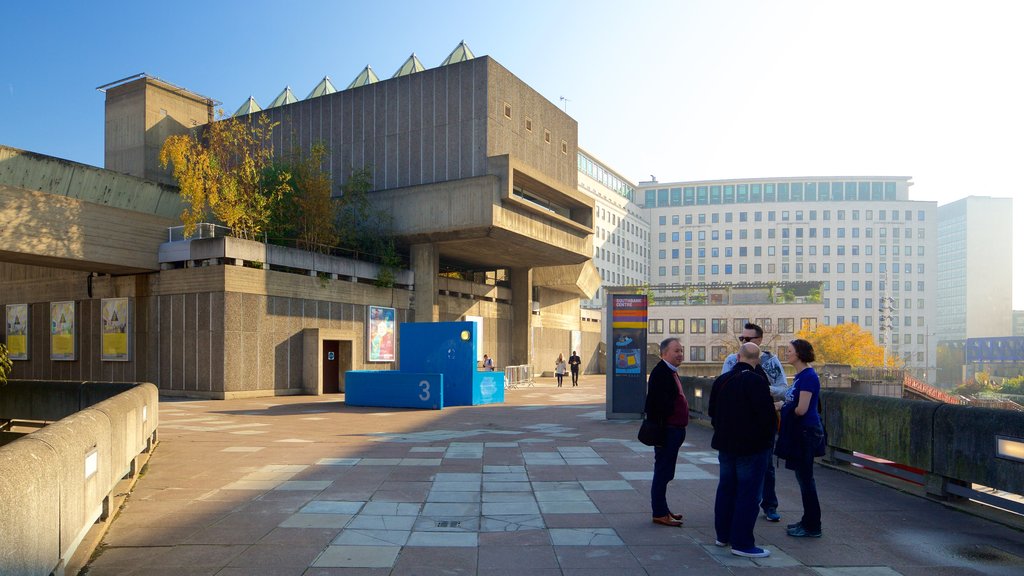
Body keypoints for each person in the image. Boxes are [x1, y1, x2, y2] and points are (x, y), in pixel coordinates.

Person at [710, 342, 777, 558]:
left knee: (726, 489)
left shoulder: (722, 380)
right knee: (748, 495)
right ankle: (743, 543)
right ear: (756, 361)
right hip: (751, 447)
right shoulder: (756, 381)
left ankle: (723, 535)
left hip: (725, 445)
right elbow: (767, 418)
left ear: (738, 358)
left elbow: (712, 411)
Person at [721, 322, 788, 522]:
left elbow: (784, 387)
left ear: (759, 340)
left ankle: (769, 505)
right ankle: (737, 506)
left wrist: (764, 390)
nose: (744, 342)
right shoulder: (732, 360)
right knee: (735, 468)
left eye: (748, 339)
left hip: (762, 423)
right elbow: (722, 385)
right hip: (737, 423)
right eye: (742, 339)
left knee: (766, 466)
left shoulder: (771, 361)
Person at [776, 338, 824, 538]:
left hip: (806, 432)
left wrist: (784, 408)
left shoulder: (808, 377)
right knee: (803, 478)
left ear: (799, 354)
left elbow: (801, 409)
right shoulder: (800, 376)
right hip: (802, 432)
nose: (786, 354)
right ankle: (808, 521)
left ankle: (813, 525)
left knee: (806, 480)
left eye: (789, 351)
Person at [644, 337, 689, 527]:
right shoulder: (661, 373)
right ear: (664, 353)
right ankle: (659, 512)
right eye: (676, 351)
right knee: (662, 472)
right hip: (667, 431)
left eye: (681, 350)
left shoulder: (670, 372)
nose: (680, 354)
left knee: (666, 472)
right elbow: (657, 406)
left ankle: (663, 508)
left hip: (674, 430)